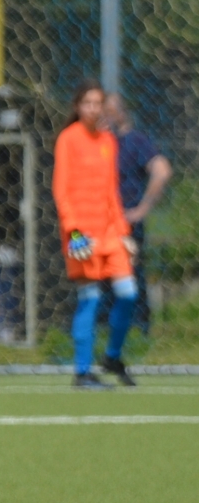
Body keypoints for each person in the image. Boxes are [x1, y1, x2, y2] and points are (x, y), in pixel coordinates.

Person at [53, 80, 138, 388]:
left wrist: (123, 232)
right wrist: (74, 232)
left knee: (128, 293)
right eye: (87, 103)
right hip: (82, 235)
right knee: (90, 298)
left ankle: (112, 356)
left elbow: (111, 191)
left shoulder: (108, 141)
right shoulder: (68, 139)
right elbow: (61, 190)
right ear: (78, 107)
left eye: (97, 103)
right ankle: (82, 372)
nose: (92, 108)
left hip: (111, 233)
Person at [106, 92, 173, 335]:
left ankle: (138, 330)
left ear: (122, 113)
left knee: (130, 275)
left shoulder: (134, 141)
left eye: (110, 112)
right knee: (100, 277)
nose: (105, 117)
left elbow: (162, 171)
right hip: (100, 222)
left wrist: (142, 209)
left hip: (126, 223)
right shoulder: (101, 143)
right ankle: (106, 331)